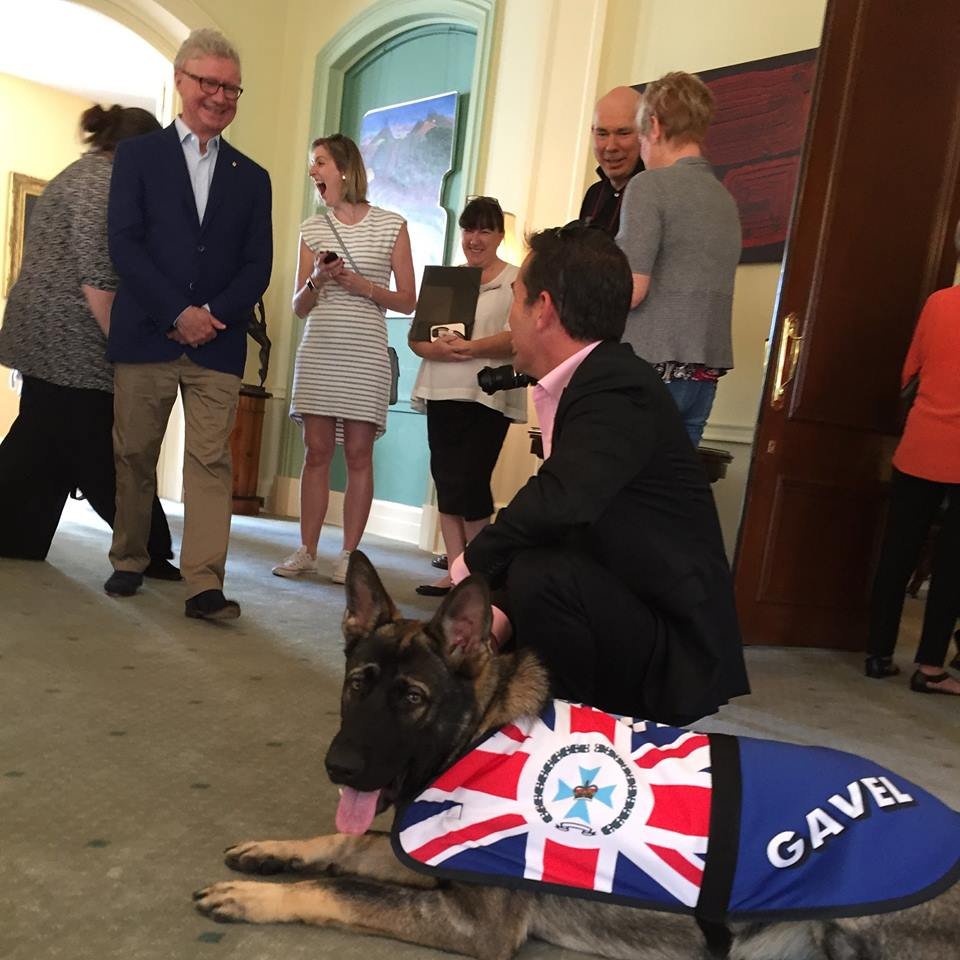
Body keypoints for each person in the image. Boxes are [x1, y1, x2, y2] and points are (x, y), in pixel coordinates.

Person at [453, 224, 749, 726]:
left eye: (515, 300)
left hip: (675, 644)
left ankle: (574, 738)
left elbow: (560, 500)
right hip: (631, 599)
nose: (510, 317)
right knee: (536, 570)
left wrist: (469, 569)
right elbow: (567, 523)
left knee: (542, 577)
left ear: (542, 308)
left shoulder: (616, 386)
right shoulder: (598, 378)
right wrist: (492, 615)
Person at [104, 28, 273, 620]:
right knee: (135, 453)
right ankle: (129, 558)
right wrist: (177, 312)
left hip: (218, 347)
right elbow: (123, 245)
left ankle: (204, 582)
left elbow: (259, 266)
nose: (220, 96)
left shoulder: (254, 178)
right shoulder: (137, 157)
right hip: (146, 334)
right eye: (209, 82)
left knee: (209, 461)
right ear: (181, 81)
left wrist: (212, 317)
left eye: (231, 88)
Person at [0, 104, 178, 576]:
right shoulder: (103, 182)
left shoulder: (80, 173)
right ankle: (150, 547)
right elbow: (99, 279)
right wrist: (126, 351)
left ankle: (18, 534)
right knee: (98, 447)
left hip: (46, 333)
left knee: (45, 444)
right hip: (69, 340)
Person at [272, 134, 415, 585]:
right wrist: (316, 279)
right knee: (316, 453)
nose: (313, 172)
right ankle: (307, 549)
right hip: (321, 349)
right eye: (312, 164)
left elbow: (408, 300)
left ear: (345, 169)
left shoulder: (393, 225)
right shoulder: (312, 229)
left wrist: (363, 287)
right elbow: (298, 306)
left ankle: (350, 554)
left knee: (358, 454)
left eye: (319, 163)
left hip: (365, 351)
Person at [409, 196, 527, 597]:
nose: (475, 239)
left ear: (499, 235)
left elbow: (519, 338)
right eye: (469, 229)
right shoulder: (447, 280)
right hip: (442, 389)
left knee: (473, 481)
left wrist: (473, 347)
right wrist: (437, 349)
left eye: (485, 230)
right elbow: (417, 339)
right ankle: (457, 571)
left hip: (487, 394)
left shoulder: (516, 279)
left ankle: (481, 573)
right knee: (446, 480)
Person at [616, 71, 741, 446]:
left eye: (637, 137)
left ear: (653, 126)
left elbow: (631, 290)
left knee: (626, 493)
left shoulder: (649, 187)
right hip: (703, 376)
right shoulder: (725, 199)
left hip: (650, 370)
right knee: (668, 492)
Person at [865, 283, 960, 696]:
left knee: (897, 552)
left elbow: (911, 369)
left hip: (920, 442)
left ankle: (878, 654)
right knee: (954, 566)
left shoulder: (939, 302)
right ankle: (931, 666)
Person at [578, 86, 645, 235]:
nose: (610, 147)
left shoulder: (653, 195)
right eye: (602, 134)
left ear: (644, 133)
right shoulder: (594, 194)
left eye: (623, 133)